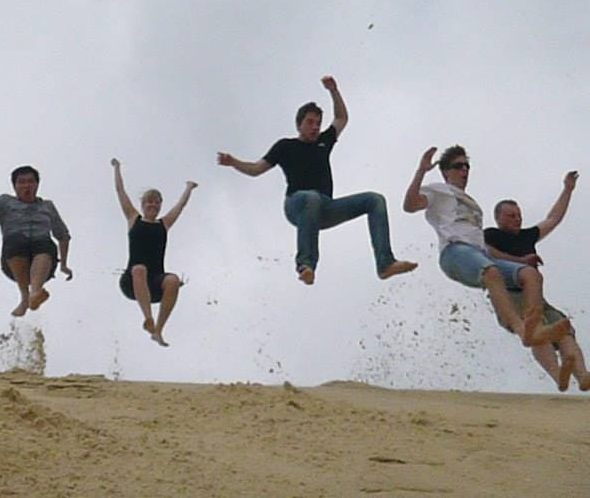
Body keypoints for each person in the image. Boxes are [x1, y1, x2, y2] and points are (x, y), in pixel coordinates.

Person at [217, 75, 416, 285]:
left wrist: (334, 91)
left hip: (326, 208)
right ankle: (306, 265)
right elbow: (257, 169)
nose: (315, 127)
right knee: (311, 198)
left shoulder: (323, 141)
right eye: (310, 123)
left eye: (318, 124)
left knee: (375, 200)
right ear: (299, 125)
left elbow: (341, 119)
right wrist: (234, 162)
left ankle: (385, 263)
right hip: (297, 205)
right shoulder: (285, 146)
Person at [403, 145, 572, 349]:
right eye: (458, 166)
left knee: (531, 275)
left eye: (467, 166)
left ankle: (534, 327)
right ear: (446, 171)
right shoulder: (438, 190)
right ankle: (522, 330)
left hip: (479, 256)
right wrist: (421, 171)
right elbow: (410, 205)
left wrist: (519, 261)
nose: (465, 170)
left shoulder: (473, 204)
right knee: (491, 272)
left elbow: (487, 247)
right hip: (455, 252)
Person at [484, 171, 587, 391]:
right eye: (511, 215)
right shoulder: (491, 235)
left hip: (537, 297)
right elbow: (489, 253)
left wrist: (567, 189)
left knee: (564, 330)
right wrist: (521, 260)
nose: (517, 218)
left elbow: (553, 218)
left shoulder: (527, 235)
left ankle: (582, 375)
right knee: (537, 329)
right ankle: (557, 374)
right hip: (510, 296)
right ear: (498, 218)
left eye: (519, 214)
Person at [111, 158, 197, 347]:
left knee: (173, 279)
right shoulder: (134, 219)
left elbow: (180, 207)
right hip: (131, 281)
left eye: (157, 202)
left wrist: (189, 188)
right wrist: (117, 168)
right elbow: (120, 191)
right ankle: (148, 318)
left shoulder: (163, 224)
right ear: (143, 204)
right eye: (149, 202)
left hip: (155, 283)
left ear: (160, 205)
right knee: (139, 269)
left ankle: (158, 330)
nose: (153, 205)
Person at [0, 165, 72, 317]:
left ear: (37, 185)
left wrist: (64, 265)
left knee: (45, 243)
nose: (26, 186)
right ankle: (25, 297)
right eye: (22, 182)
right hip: (14, 258)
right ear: (15, 186)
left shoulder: (47, 206)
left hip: (44, 260)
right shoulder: (5, 202)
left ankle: (35, 292)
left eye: (30, 182)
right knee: (17, 239)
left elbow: (62, 235)